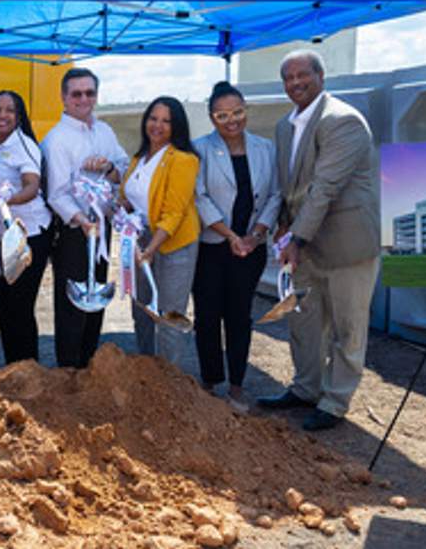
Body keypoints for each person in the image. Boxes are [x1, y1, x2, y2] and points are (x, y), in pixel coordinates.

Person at [258, 49, 380, 431]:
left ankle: (334, 401)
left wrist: (296, 236)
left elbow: (324, 188)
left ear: (322, 75)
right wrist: (282, 224)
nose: (295, 83)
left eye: (302, 75)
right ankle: (306, 387)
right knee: (304, 322)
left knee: (348, 327)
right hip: (304, 245)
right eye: (288, 78)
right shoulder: (284, 126)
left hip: (347, 245)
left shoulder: (342, 121)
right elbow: (288, 185)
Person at [192, 81, 281, 412]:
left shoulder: (266, 149)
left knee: (239, 316)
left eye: (238, 112)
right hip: (213, 246)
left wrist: (255, 236)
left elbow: (275, 194)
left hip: (251, 248)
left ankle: (237, 385)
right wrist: (231, 237)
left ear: (246, 110)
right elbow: (198, 196)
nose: (232, 120)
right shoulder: (199, 149)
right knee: (207, 315)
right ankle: (209, 379)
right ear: (212, 118)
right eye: (222, 115)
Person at [41, 68, 129, 369]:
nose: (83, 99)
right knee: (72, 307)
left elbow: (124, 168)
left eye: (89, 93)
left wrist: (108, 168)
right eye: (76, 93)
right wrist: (82, 220)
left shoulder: (105, 131)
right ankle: (68, 371)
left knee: (96, 302)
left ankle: (89, 367)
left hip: (101, 230)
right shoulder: (56, 140)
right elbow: (56, 193)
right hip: (74, 232)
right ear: (64, 97)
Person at [119, 96, 200, 366]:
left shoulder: (183, 159)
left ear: (176, 126)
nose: (158, 125)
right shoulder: (139, 157)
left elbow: (174, 213)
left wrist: (150, 250)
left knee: (168, 316)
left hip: (172, 244)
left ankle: (170, 381)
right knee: (141, 310)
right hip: (142, 241)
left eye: (166, 121)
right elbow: (131, 197)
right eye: (153, 118)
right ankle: (147, 371)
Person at [0, 90, 53, 364]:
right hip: (2, 237)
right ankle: (14, 366)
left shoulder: (24, 145)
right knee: (3, 305)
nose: (2, 115)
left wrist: (5, 199)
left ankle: (28, 370)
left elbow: (32, 187)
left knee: (19, 307)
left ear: (19, 115)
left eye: (9, 110)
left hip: (29, 236)